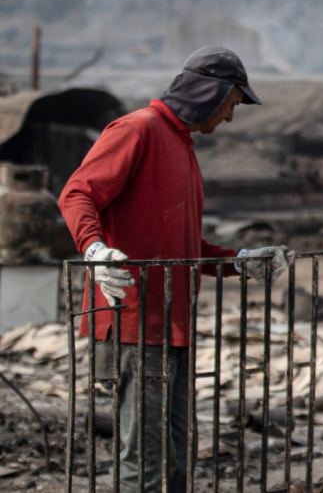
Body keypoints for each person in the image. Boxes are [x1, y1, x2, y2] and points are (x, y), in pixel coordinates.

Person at [59, 46, 295, 493]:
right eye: (232, 104)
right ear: (211, 92)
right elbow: (77, 193)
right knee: (144, 459)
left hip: (170, 323)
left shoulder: (181, 146)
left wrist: (239, 263)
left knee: (175, 456)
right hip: (133, 320)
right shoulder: (138, 130)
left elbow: (183, 248)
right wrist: (94, 250)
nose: (230, 117)